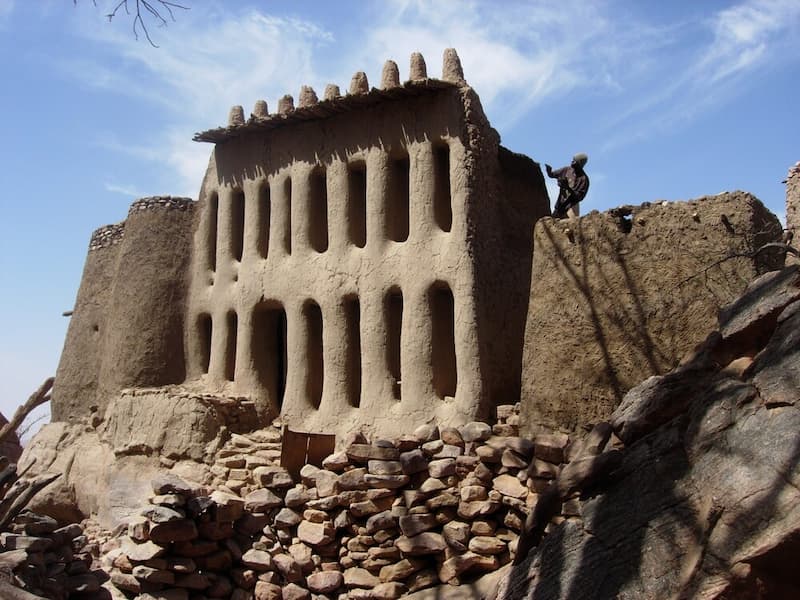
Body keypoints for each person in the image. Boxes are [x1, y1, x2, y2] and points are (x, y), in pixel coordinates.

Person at [546, 153, 589, 218]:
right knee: (553, 223)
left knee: (571, 224)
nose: (572, 161)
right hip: (560, 205)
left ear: (579, 163)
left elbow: (578, 197)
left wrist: (567, 187)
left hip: (572, 206)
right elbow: (552, 175)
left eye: (574, 161)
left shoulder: (583, 179)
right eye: (572, 159)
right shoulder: (567, 170)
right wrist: (549, 171)